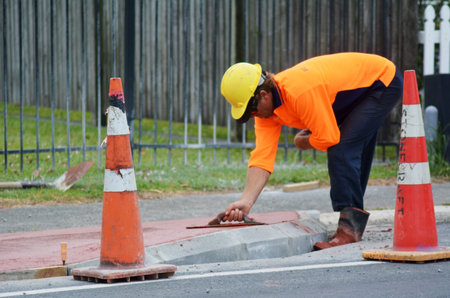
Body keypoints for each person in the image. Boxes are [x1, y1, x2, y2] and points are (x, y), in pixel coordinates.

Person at [219, 52, 403, 250]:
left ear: (263, 95)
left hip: (381, 81)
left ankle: (349, 231)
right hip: (355, 92)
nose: (253, 116)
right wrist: (246, 201)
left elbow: (329, 138)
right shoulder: (268, 114)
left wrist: (304, 142)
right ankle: (352, 222)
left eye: (251, 111)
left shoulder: (299, 92)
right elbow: (262, 157)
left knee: (342, 149)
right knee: (351, 144)